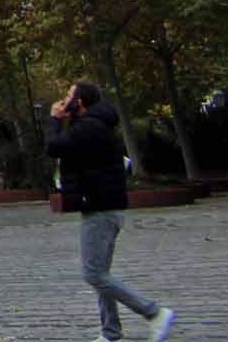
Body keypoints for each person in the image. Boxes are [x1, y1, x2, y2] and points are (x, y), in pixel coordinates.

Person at [46, 81, 175, 342]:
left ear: (79, 102)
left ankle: (154, 313)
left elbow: (53, 147)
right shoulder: (94, 124)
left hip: (101, 208)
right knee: (100, 272)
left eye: (69, 95)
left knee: (93, 274)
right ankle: (111, 333)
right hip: (102, 205)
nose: (64, 99)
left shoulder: (89, 127)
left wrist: (54, 120)